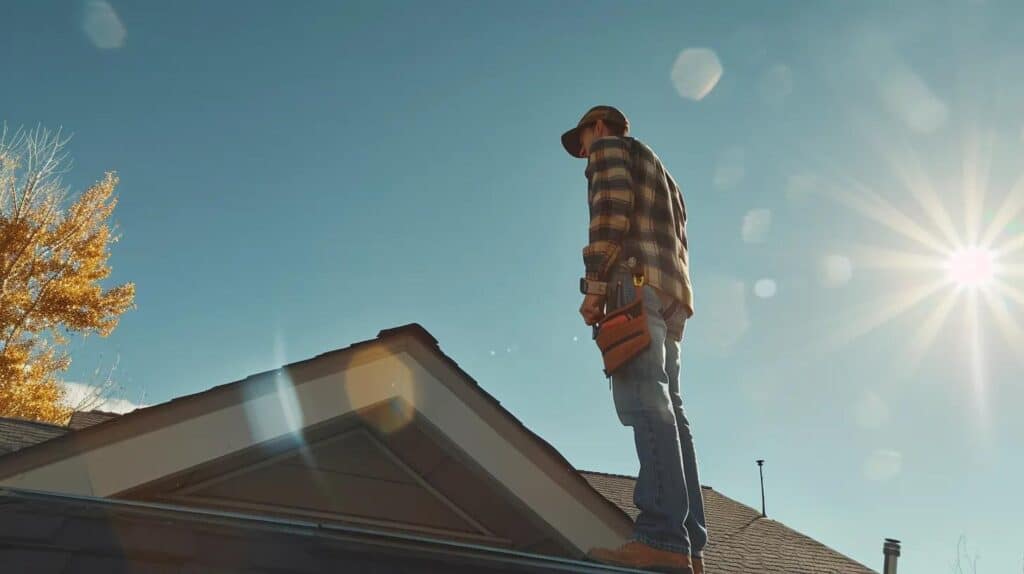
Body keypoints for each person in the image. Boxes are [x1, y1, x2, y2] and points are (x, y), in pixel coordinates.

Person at [562, 105, 708, 574]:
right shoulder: (665, 176)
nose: (583, 153)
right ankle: (689, 544)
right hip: (673, 294)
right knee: (671, 408)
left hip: (635, 283)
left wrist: (595, 289)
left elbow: (609, 213)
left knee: (645, 401)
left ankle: (663, 537)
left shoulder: (609, 151)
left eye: (582, 141)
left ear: (598, 128)